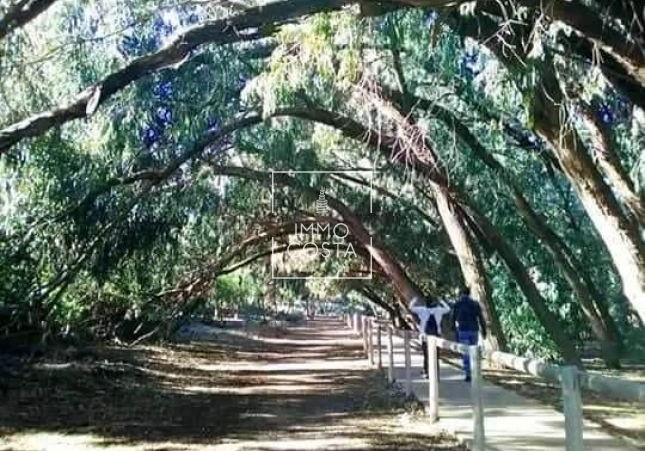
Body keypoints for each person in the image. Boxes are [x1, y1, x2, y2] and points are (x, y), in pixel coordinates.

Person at [409, 297, 451, 378]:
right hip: (436, 335)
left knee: (426, 355)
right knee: (436, 356)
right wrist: (441, 301)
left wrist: (414, 300)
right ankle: (436, 373)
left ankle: (427, 372)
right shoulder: (439, 310)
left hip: (425, 336)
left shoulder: (422, 309)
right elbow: (448, 309)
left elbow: (410, 307)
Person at [451, 287, 487, 382]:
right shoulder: (474, 303)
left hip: (463, 330)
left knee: (466, 353)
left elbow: (453, 318)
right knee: (474, 351)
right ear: (469, 293)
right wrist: (484, 329)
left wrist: (453, 329)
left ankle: (468, 374)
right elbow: (480, 317)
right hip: (474, 330)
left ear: (461, 293)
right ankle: (475, 371)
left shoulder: (457, 304)